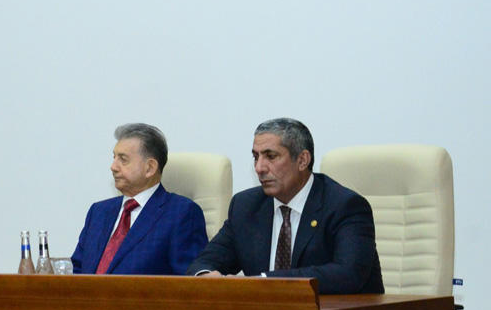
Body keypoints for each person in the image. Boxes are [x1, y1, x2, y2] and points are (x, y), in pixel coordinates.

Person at [185, 118, 383, 294]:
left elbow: (348, 273)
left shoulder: (344, 206)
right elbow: (204, 262)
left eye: (270, 156)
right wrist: (205, 276)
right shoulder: (246, 206)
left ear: (303, 160)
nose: (259, 168)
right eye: (256, 157)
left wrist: (265, 282)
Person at [71, 123, 208, 275]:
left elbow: (188, 282)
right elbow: (77, 269)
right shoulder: (98, 212)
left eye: (123, 159)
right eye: (114, 157)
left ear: (150, 168)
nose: (113, 166)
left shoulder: (181, 213)